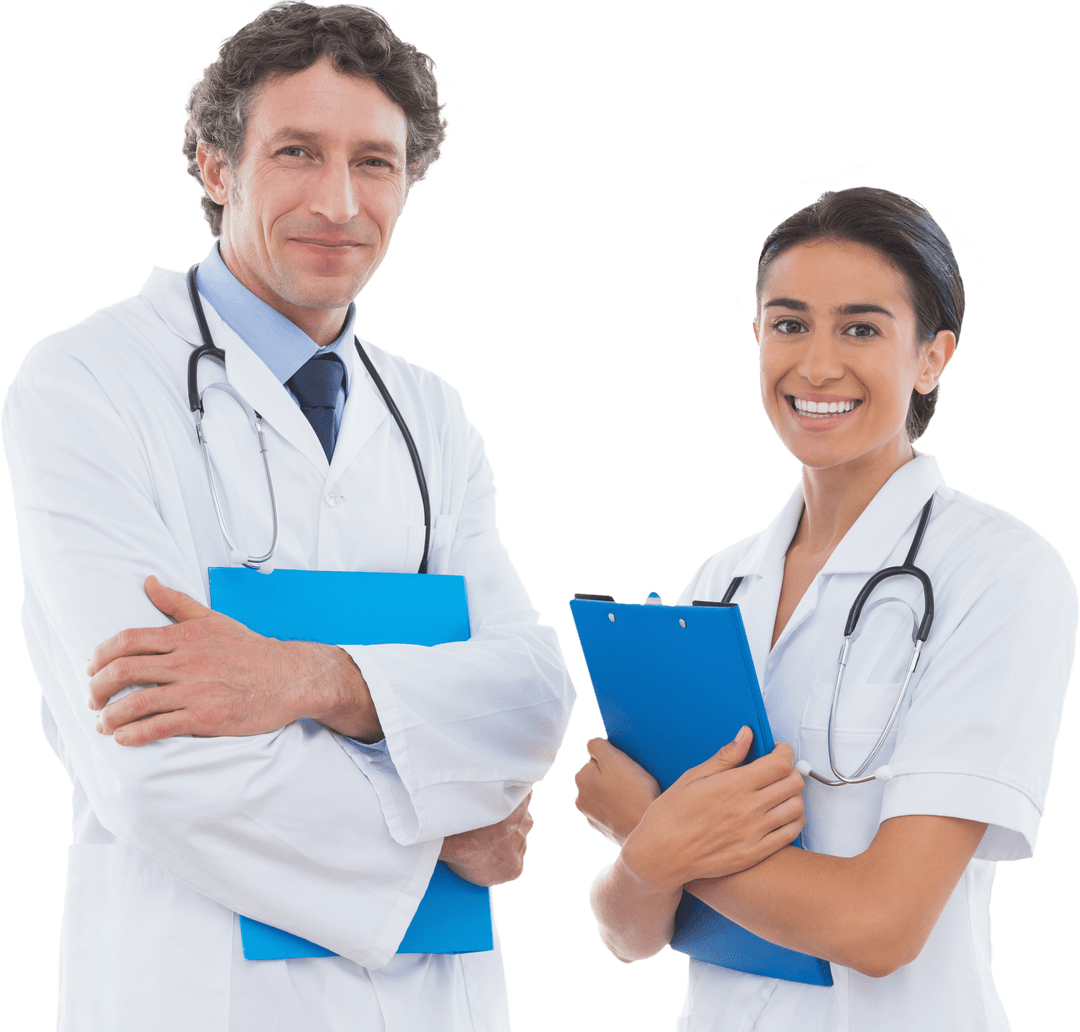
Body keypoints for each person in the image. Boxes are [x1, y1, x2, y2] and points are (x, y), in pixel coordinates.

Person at [0, 3, 575, 1031]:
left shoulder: (429, 413)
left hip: (436, 1003)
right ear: (216, 165)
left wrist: (315, 680)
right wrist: (433, 825)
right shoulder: (85, 383)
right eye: (297, 152)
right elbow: (154, 765)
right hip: (200, 997)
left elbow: (530, 696)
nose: (339, 202)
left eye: (376, 163)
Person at [573, 185, 1077, 1031]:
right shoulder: (718, 585)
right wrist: (649, 859)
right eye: (788, 323)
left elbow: (881, 925)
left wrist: (655, 844)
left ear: (931, 358)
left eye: (862, 328)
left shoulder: (999, 572)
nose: (815, 366)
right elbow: (628, 932)